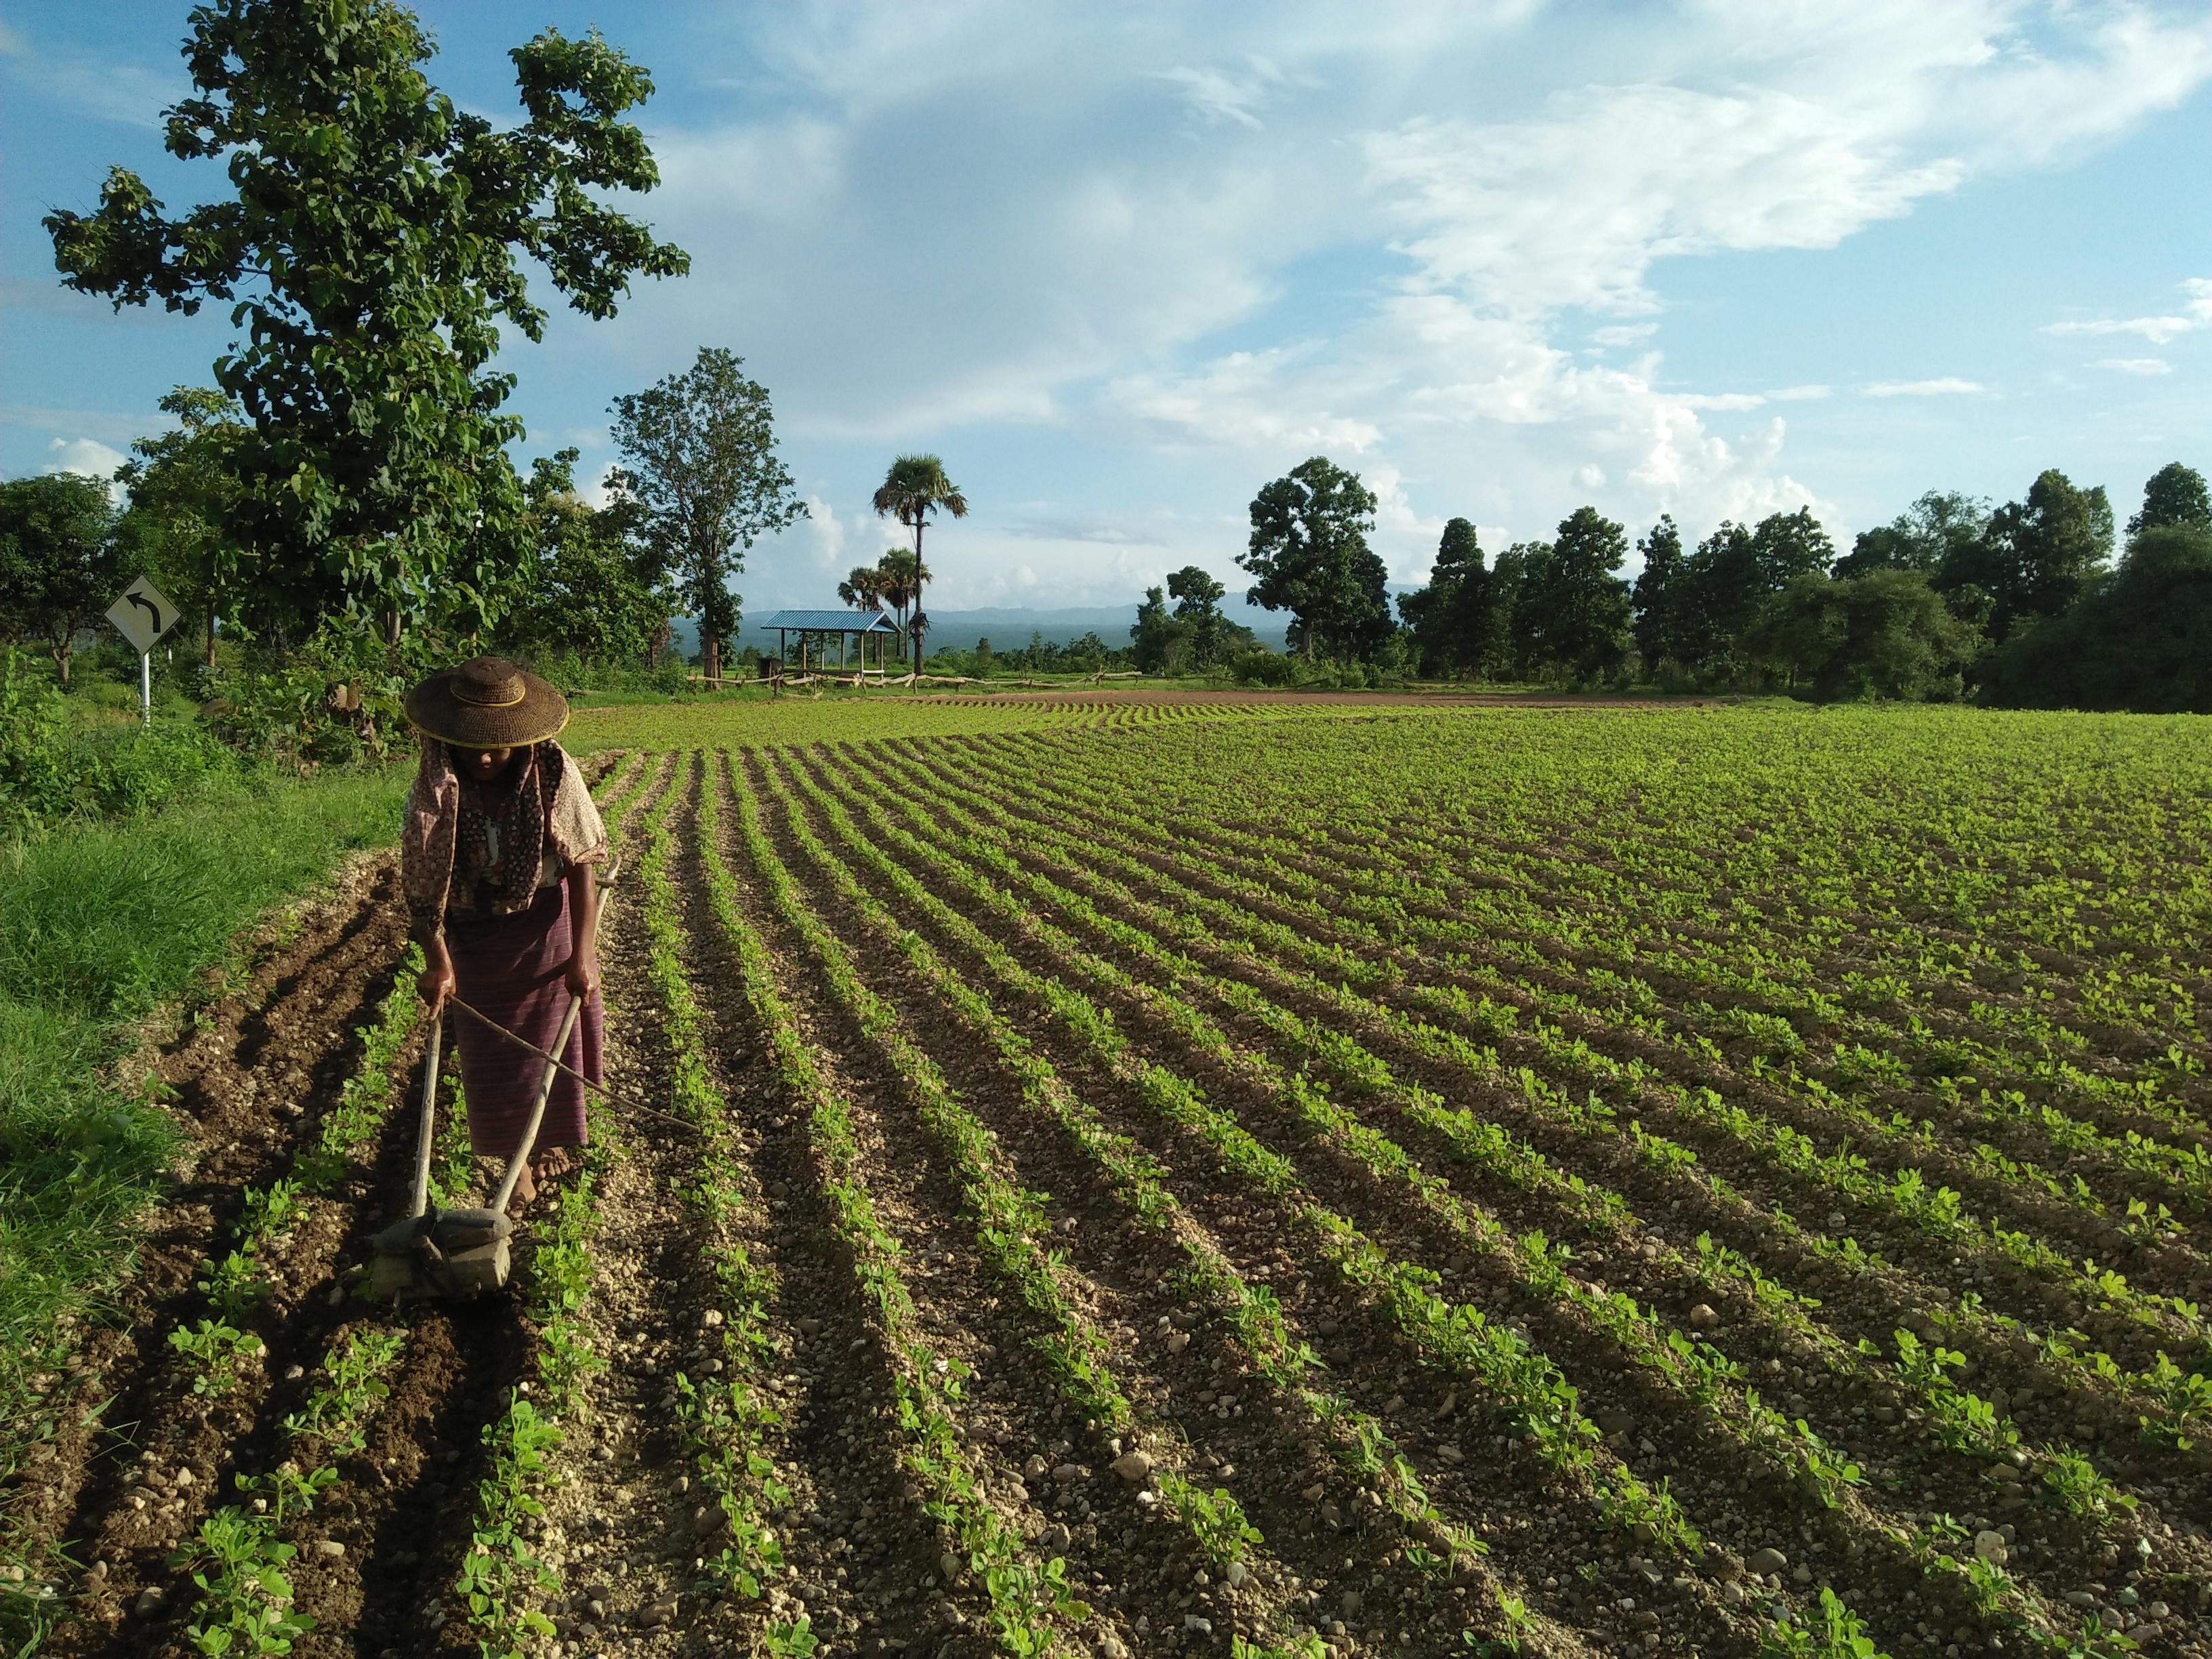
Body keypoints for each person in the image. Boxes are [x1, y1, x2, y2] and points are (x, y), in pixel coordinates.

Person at [399, 655, 607, 1211]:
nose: (487, 756)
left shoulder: (554, 772)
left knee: (547, 1048)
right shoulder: (436, 786)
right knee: (490, 1055)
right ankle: (514, 1167)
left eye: (498, 745)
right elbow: (422, 887)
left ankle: (541, 1147)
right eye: (474, 745)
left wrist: (583, 955)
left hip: (543, 924)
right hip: (474, 930)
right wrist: (437, 960)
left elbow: (583, 862)